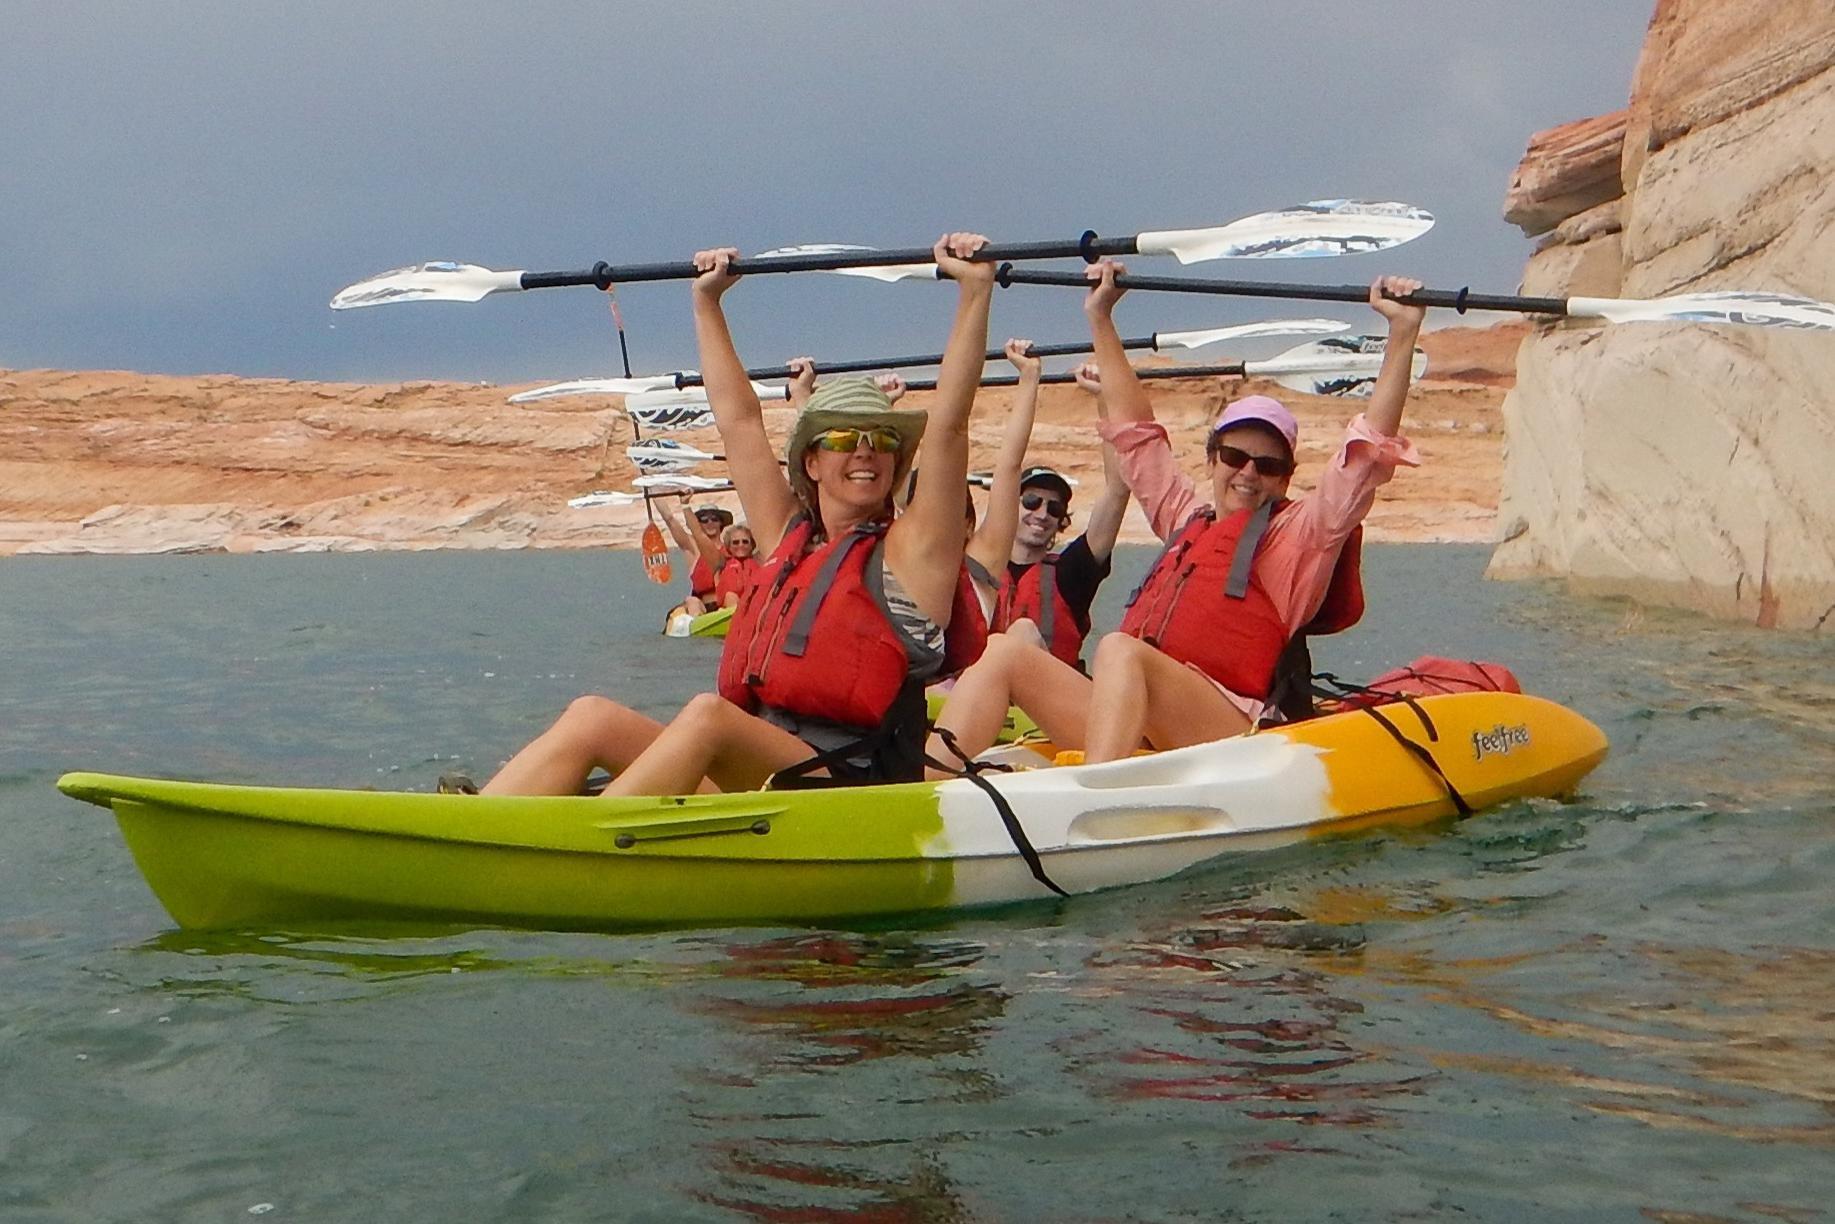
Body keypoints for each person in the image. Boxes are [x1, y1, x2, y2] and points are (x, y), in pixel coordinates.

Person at [481, 233, 994, 797]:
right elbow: (739, 421)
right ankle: (478, 827)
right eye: (844, 437)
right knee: (592, 716)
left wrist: (974, 293)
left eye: (881, 440)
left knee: (709, 717)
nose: (865, 450)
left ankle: (577, 849)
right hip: (768, 771)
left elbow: (949, 430)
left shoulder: (914, 554)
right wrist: (707, 303)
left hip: (853, 787)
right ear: (812, 463)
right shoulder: (787, 536)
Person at [926, 263, 1426, 771]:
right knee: (1005, 652)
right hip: (1144, 724)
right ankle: (928, 783)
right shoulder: (1187, 519)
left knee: (1120, 649)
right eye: (1235, 457)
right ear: (1213, 461)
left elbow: (1365, 457)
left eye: (1269, 465)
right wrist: (1100, 317)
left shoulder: (1300, 537)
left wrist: (1402, 333)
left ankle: (1092, 798)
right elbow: (1135, 432)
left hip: (1232, 732)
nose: (1249, 474)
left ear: (1285, 477)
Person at [977, 357, 1129, 668]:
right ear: (1011, 505)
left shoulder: (1071, 573)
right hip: (977, 695)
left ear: (1061, 520)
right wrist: (1029, 379)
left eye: (1054, 507)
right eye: (1032, 501)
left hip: (1045, 701)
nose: (1042, 513)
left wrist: (1103, 400)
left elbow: (1117, 490)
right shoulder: (977, 566)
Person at [657, 496, 732, 615]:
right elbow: (669, 519)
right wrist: (652, 489)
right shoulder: (693, 548)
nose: (710, 523)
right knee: (691, 601)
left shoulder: (732, 548)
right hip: (703, 608)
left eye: (714, 519)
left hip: (727, 605)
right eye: (704, 520)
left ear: (721, 523)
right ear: (698, 524)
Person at [709, 521, 758, 609]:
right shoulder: (720, 562)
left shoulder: (760, 562)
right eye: (735, 542)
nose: (741, 545)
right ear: (729, 546)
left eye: (745, 542)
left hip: (754, 606)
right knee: (731, 596)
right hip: (730, 608)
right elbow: (699, 536)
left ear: (752, 545)